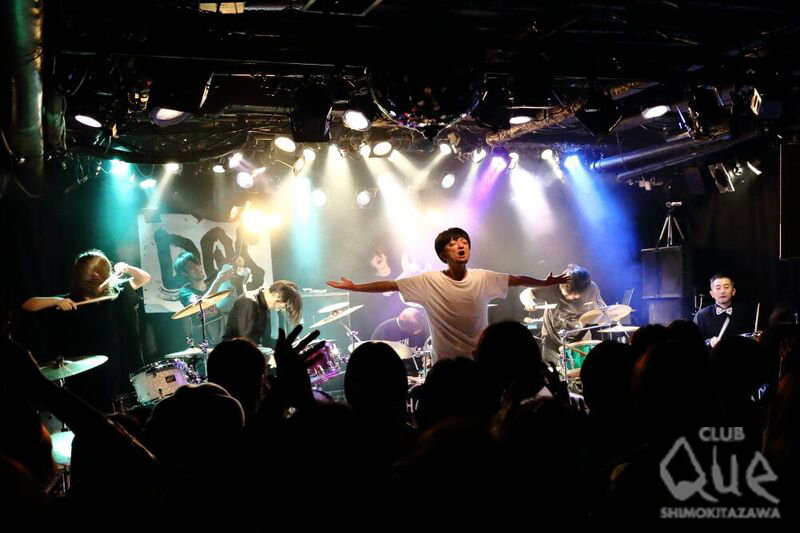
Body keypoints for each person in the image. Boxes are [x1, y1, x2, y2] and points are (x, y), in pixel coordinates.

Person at [328, 227, 569, 362]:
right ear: (443, 254)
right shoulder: (429, 281)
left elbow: (516, 280)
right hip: (445, 366)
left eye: (464, 241)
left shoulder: (483, 277)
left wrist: (545, 282)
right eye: (453, 243)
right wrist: (356, 287)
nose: (461, 245)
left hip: (478, 363)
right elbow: (391, 285)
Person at [21, 249, 151, 411]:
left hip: (126, 371)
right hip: (91, 380)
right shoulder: (72, 300)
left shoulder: (120, 292)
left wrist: (127, 268)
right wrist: (55, 301)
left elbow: (144, 278)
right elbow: (28, 305)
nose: (94, 280)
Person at [520, 264, 606, 365]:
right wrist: (529, 303)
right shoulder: (552, 285)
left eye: (575, 296)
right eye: (567, 294)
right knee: (551, 371)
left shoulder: (592, 289)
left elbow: (602, 311)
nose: (570, 297)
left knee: (581, 372)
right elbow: (526, 293)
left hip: (580, 340)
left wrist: (603, 317)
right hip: (552, 341)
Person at [173, 251, 235, 348]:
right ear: (184, 273)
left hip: (223, 336)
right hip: (204, 343)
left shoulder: (212, 285)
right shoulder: (185, 291)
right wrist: (218, 281)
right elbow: (200, 304)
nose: (197, 268)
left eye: (198, 263)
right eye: (191, 267)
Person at [224, 279, 303, 349]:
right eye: (282, 306)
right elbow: (242, 339)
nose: (280, 308)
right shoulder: (249, 301)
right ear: (276, 295)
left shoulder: (263, 305)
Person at [693, 273, 754, 347]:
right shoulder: (701, 315)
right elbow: (693, 342)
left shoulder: (745, 313)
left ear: (733, 291)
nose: (722, 291)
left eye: (726, 287)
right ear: (712, 294)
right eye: (718, 288)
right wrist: (709, 342)